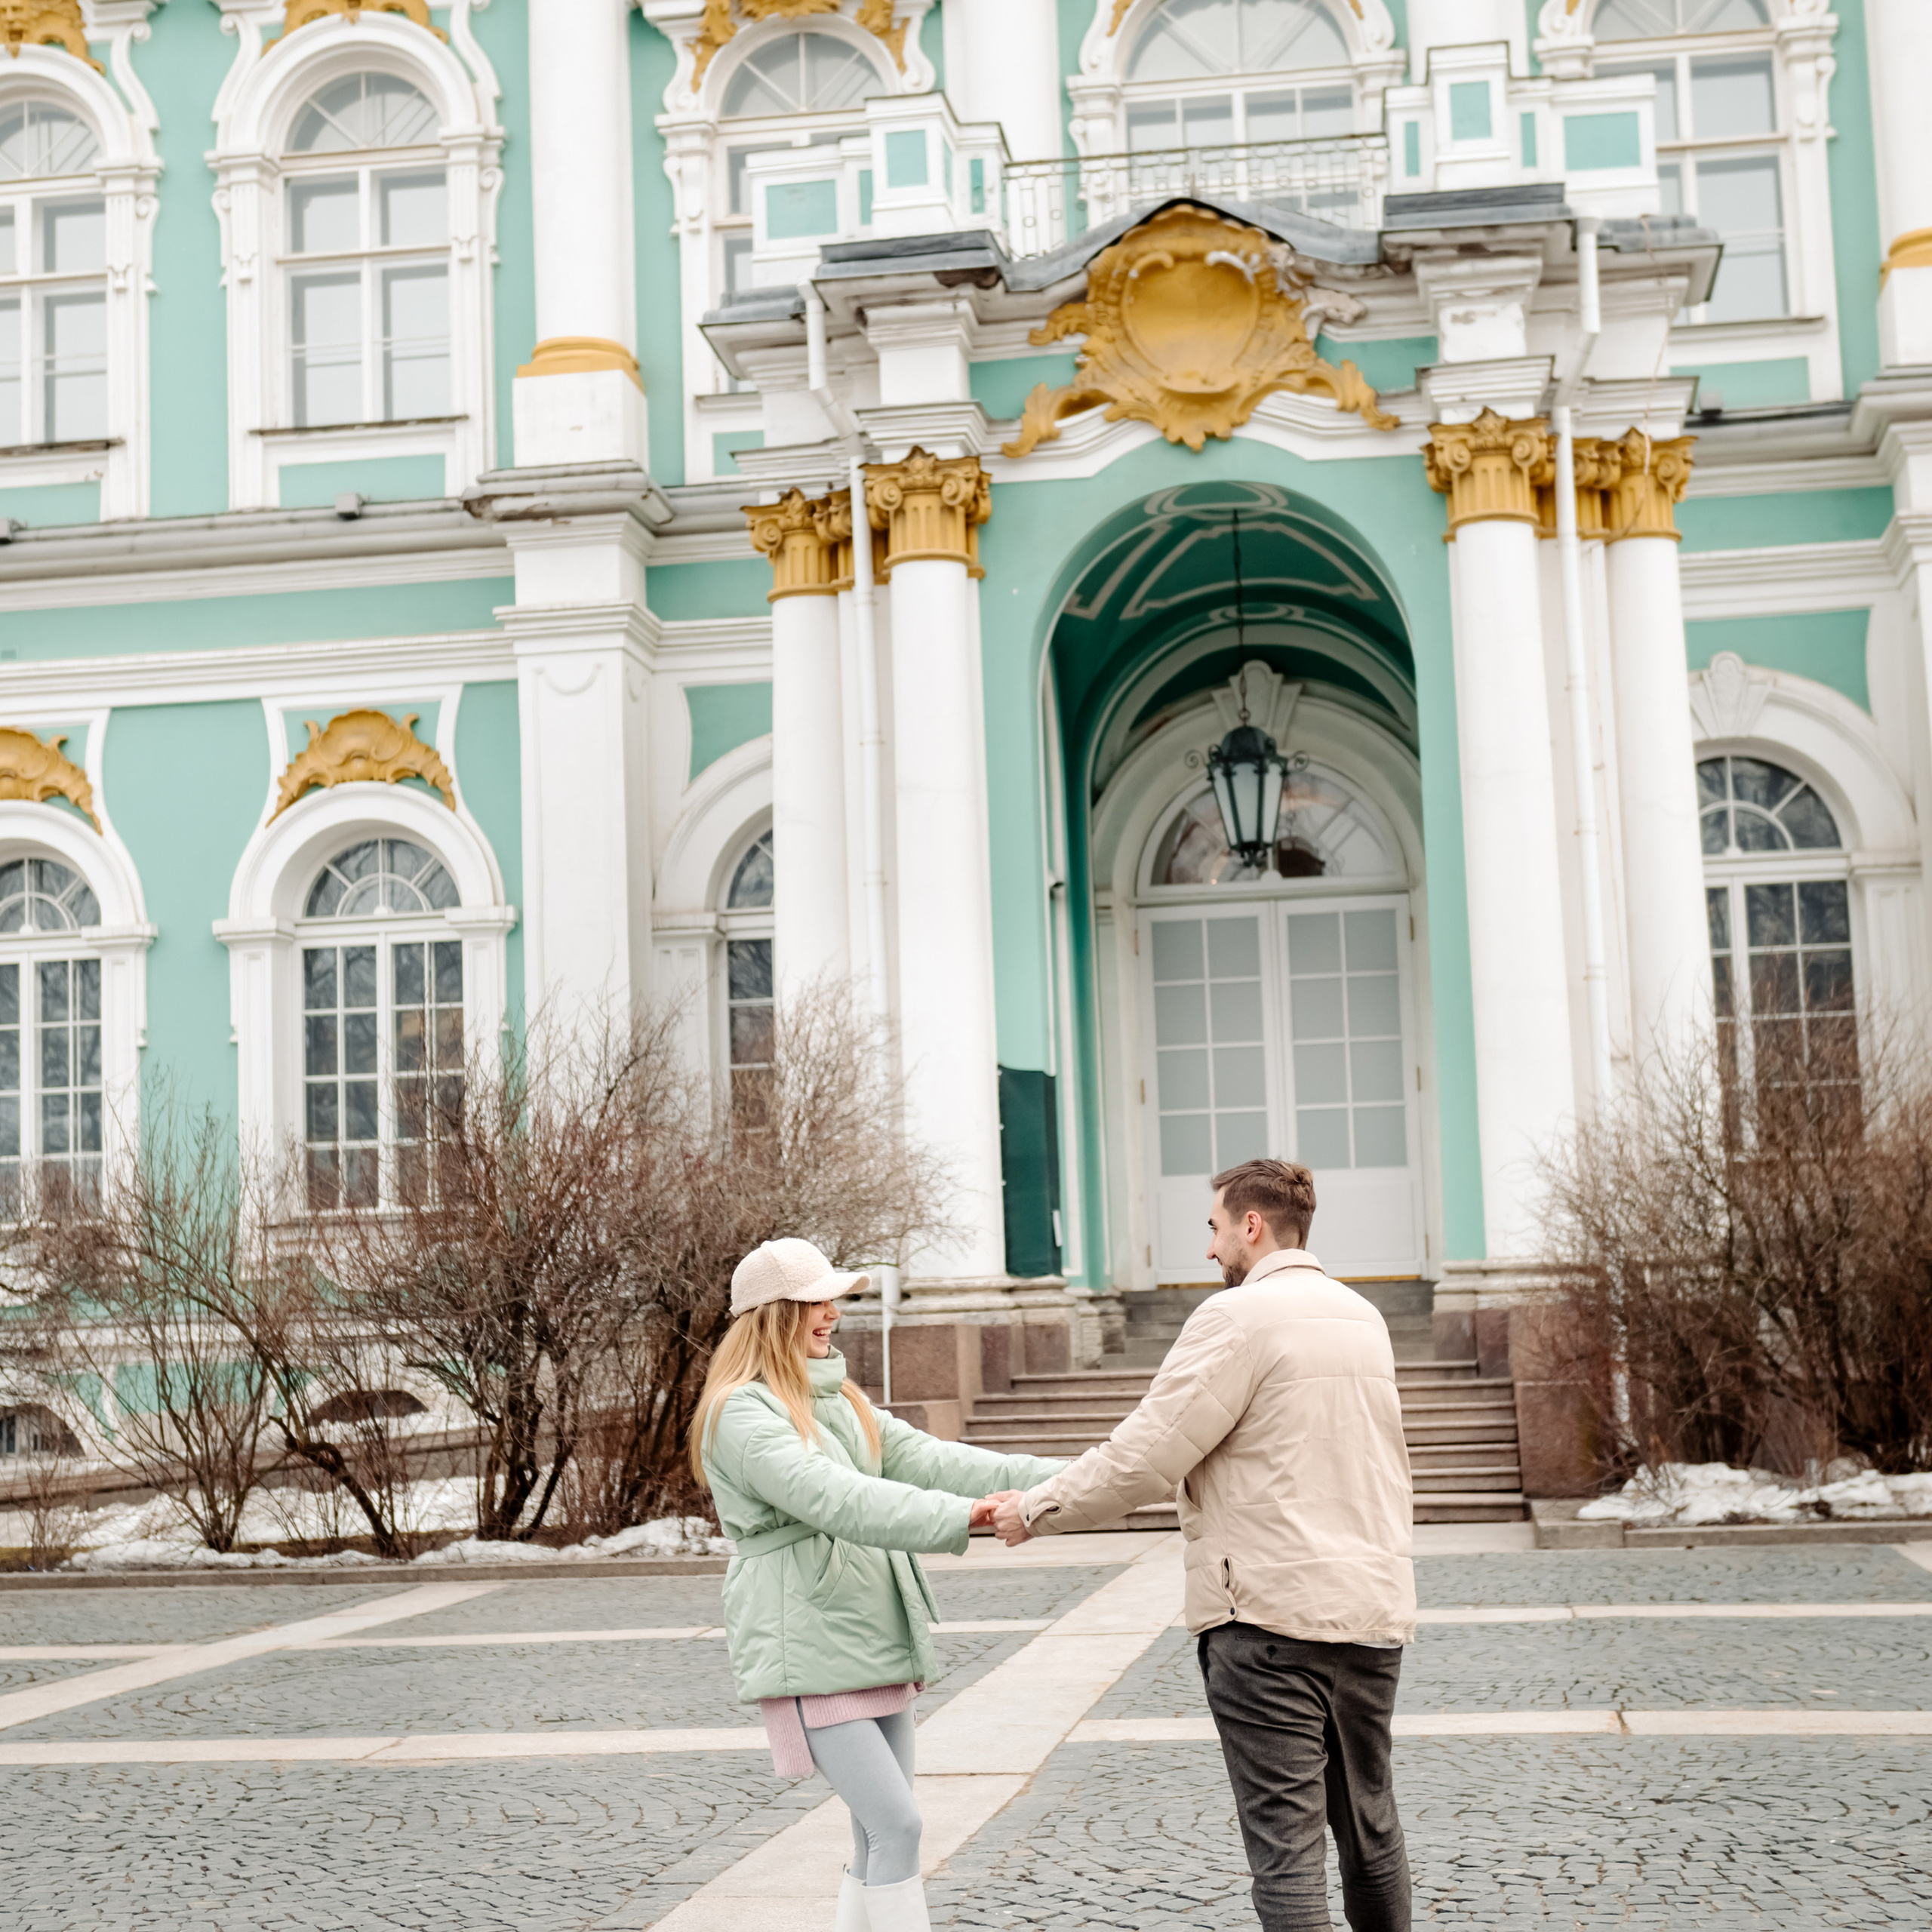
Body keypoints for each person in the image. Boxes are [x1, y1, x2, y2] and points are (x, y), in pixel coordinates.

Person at [992, 1158, 1417, 1932]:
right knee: (1371, 1830)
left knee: (1286, 1852)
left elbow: (1147, 1455)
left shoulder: (1235, 1320)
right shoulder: (1363, 1317)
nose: (1211, 1249)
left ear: (1250, 1225)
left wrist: (1035, 1508)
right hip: (1371, 1613)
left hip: (1266, 1622)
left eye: (1215, 1228)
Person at [693, 1235, 1066, 1932]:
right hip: (808, 1633)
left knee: (877, 1833)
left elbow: (935, 1459)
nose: (832, 1313)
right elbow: (839, 1499)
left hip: (867, 1626)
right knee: (898, 1826)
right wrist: (966, 1517)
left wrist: (1077, 1475)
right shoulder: (743, 1413)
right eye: (815, 1302)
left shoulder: (837, 1397)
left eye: (833, 1299)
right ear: (775, 1315)